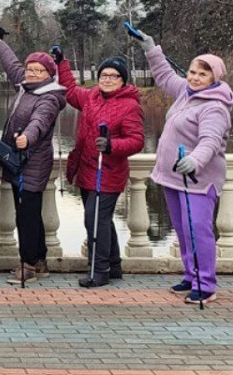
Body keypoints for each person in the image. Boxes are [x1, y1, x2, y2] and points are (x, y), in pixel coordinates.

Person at [130, 27, 233, 304]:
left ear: (214, 78)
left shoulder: (214, 106)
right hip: (173, 177)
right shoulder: (186, 93)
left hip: (198, 180)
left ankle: (206, 284)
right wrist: (150, 48)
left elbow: (210, 142)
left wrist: (194, 161)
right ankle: (191, 275)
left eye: (203, 74)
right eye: (192, 71)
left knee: (198, 230)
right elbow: (165, 76)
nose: (194, 77)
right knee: (183, 229)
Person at [56, 49, 145, 288]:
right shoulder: (92, 97)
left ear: (122, 80)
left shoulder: (129, 106)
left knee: (94, 220)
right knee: (101, 219)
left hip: (108, 171)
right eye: (104, 74)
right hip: (86, 169)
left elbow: (137, 140)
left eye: (114, 76)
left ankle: (100, 270)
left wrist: (111, 145)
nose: (107, 79)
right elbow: (71, 91)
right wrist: (61, 62)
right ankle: (114, 265)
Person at [0, 29, 66, 285]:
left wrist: (27, 138)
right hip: (17, 160)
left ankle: (30, 264)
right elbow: (11, 65)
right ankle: (40, 260)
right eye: (30, 68)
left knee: (27, 216)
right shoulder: (25, 85)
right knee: (27, 214)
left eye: (38, 70)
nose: (31, 73)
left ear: (48, 75)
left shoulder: (50, 96)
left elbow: (39, 122)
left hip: (33, 162)